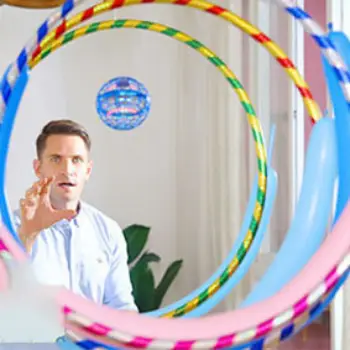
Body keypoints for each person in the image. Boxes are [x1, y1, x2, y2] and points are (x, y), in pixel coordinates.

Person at [12, 119, 138, 311]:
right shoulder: (10, 226)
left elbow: (122, 307)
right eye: (56, 159)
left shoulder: (108, 231)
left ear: (87, 170)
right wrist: (26, 237)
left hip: (94, 342)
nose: (68, 170)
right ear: (38, 168)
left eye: (76, 160)